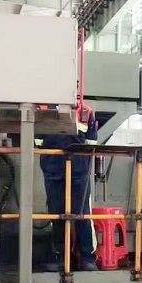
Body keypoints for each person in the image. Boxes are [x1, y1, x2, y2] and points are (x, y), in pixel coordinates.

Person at [38, 104, 98, 272]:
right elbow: (37, 140)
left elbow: (92, 143)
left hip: (78, 171)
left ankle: (87, 257)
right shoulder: (42, 109)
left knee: (82, 214)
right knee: (57, 214)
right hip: (53, 170)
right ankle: (61, 256)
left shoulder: (85, 111)